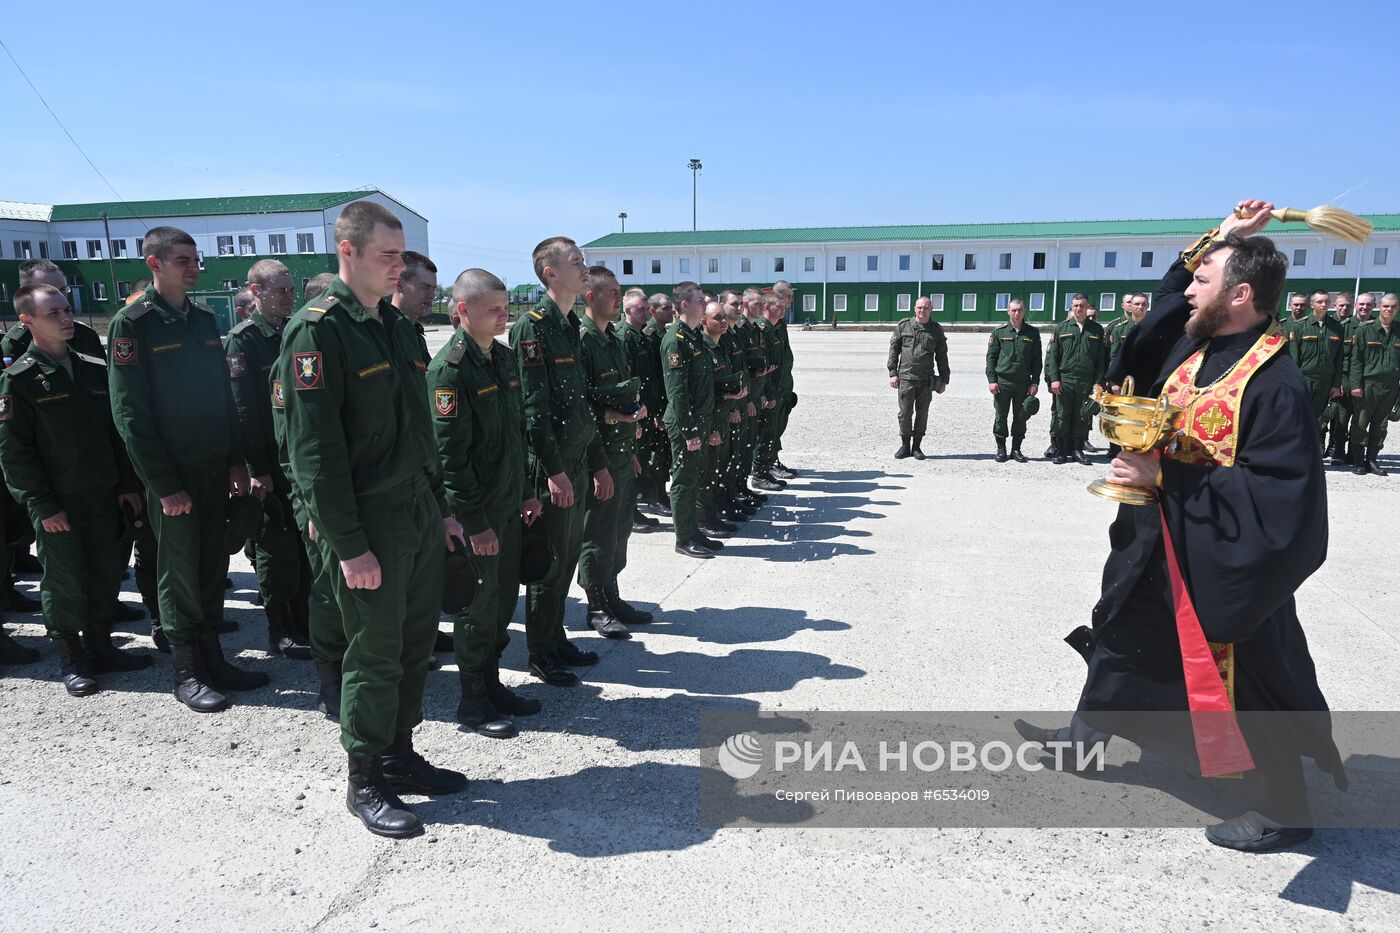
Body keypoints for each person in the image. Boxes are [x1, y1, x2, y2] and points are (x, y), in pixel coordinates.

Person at [1034, 203, 1347, 852]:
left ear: (1241, 294)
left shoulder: (1272, 380)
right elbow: (1163, 303)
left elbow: (1287, 506)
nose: (1189, 286)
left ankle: (1283, 808)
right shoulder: (1199, 345)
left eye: (1206, 277)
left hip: (1217, 565)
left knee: (1246, 680)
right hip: (1154, 542)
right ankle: (1083, 742)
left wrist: (1167, 476)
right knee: (1119, 632)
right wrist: (1222, 236)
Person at [278, 201, 467, 838]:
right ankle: (363, 777)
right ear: (348, 251)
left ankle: (399, 753)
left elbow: (418, 432)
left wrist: (439, 509)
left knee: (415, 646)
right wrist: (349, 545)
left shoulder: (393, 324)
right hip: (367, 524)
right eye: (388, 255)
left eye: (401, 254)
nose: (399, 266)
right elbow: (315, 454)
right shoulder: (318, 330)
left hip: (413, 511)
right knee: (375, 652)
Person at [108, 226, 263, 714]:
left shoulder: (202, 317)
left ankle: (214, 658)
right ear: (154, 264)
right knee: (178, 572)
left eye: (196, 259)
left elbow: (223, 397)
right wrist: (163, 484)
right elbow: (129, 414)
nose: (194, 267)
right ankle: (188, 671)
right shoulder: (132, 324)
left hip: (214, 465)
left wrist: (236, 459)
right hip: (172, 475)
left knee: (213, 563)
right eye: (182, 260)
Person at [0, 284, 151, 694]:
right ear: (26, 321)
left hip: (102, 492)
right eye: (54, 313)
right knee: (65, 579)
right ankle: (71, 656)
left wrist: (125, 483)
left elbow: (114, 433)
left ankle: (101, 646)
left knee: (105, 570)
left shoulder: (93, 369)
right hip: (58, 501)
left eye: (67, 310)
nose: (67, 318)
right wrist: (42, 504)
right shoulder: (19, 381)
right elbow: (15, 454)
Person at [428, 268, 543, 737]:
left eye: (506, 307)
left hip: (508, 505)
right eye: (494, 309)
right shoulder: (449, 370)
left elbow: (517, 435)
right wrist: (473, 522)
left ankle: (493, 684)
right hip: (479, 515)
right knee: (478, 606)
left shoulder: (501, 357)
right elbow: (449, 459)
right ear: (462, 311)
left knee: (502, 602)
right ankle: (472, 702)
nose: (504, 316)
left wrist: (527, 491)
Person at [508, 237, 613, 686]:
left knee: (567, 558)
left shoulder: (571, 324)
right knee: (548, 563)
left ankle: (555, 638)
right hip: (552, 468)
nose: (584, 267)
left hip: (576, 460)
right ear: (550, 272)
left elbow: (581, 404)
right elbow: (533, 408)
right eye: (576, 262)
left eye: (583, 260)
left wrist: (598, 462)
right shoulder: (532, 327)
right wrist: (553, 470)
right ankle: (540, 652)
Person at [223, 259, 312, 660]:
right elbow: (243, 411)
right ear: (256, 293)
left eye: (292, 290)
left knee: (302, 547)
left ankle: (305, 620)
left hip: (298, 460)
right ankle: (280, 628)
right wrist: (256, 468)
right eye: (281, 290)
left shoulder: (294, 331)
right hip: (269, 463)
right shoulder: (243, 341)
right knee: (276, 549)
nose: (289, 296)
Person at [577, 266, 653, 638]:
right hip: (599, 456)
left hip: (622, 452)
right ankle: (595, 606)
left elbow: (621, 392)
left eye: (620, 292)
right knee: (599, 533)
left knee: (620, 530)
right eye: (612, 293)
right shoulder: (583, 341)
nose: (619, 299)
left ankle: (612, 594)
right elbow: (578, 405)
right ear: (591, 296)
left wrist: (632, 445)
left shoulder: (613, 340)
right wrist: (597, 464)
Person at [662, 282, 719, 559]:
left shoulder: (693, 335)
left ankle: (694, 531)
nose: (704, 304)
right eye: (699, 300)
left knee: (695, 478)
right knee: (684, 481)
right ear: (685, 305)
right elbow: (677, 392)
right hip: (686, 424)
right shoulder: (676, 340)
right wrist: (688, 431)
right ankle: (683, 538)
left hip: (699, 421)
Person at [698, 300, 746, 538]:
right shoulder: (703, 349)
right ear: (703, 321)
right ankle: (703, 520)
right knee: (705, 474)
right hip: (710, 420)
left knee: (719, 468)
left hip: (722, 416)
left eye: (723, 317)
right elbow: (704, 393)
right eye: (718, 317)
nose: (724, 321)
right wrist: (713, 426)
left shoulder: (719, 346)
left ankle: (714, 514)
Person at [1044, 294, 1107, 465]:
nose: (1078, 309)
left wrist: (1098, 382)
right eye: (1075, 305)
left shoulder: (1097, 330)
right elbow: (1053, 358)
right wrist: (1054, 379)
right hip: (1065, 380)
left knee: (1082, 416)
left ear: (1087, 307)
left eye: (1082, 305)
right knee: (1062, 416)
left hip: (1086, 381)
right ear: (1071, 307)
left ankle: (1078, 450)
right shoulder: (1061, 328)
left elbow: (1102, 360)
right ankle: (1062, 451)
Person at [886, 295, 950, 460]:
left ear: (931, 310)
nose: (922, 311)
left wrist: (944, 379)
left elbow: (942, 356)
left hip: (926, 380)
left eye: (926, 308)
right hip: (906, 378)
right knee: (905, 413)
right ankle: (905, 445)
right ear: (915, 308)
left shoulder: (936, 330)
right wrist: (892, 373)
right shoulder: (904, 326)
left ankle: (917, 447)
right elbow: (894, 350)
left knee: (923, 414)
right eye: (920, 307)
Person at [618, 289, 661, 532]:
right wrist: (633, 420)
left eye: (647, 308)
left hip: (646, 412)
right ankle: (630, 513)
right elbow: (628, 382)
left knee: (642, 461)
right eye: (641, 309)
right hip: (634, 414)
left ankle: (636, 508)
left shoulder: (641, 336)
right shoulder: (625, 338)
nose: (646, 312)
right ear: (627, 311)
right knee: (632, 465)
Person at [1347, 293, 1400, 475]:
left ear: (1397, 309)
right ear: (1379, 307)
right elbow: (1356, 361)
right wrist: (1355, 385)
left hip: (1391, 386)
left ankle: (1372, 460)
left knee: (1381, 425)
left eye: (1393, 307)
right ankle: (1359, 461)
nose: (1389, 309)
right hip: (1368, 384)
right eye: (1385, 306)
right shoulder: (1364, 330)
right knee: (1360, 423)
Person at [984, 298, 1041, 463]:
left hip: (1023, 382)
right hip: (1003, 382)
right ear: (1008, 311)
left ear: (1024, 311)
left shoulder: (1032, 333)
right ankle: (1001, 449)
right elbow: (991, 359)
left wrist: (1035, 382)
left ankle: (1016, 449)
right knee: (1001, 416)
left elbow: (1037, 360)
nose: (1017, 313)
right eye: (1014, 310)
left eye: (1020, 310)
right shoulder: (999, 332)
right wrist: (992, 380)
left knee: (1021, 416)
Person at [1285, 289, 1345, 443]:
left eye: (1326, 301)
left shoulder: (1337, 327)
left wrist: (1336, 384)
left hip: (1326, 381)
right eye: (1320, 301)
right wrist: (1294, 383)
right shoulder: (1299, 327)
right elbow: (1293, 358)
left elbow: (1339, 359)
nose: (1324, 304)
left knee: (1320, 419)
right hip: (1304, 379)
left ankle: (1314, 451)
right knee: (1299, 416)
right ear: (1311, 304)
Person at [639, 292, 676, 515]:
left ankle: (659, 493)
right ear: (653, 311)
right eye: (665, 308)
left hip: (663, 402)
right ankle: (655, 495)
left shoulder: (664, 333)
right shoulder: (649, 335)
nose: (671, 311)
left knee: (663, 451)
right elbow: (649, 375)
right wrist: (654, 410)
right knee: (655, 454)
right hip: (653, 405)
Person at [743, 289, 781, 492]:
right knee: (745, 444)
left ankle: (757, 476)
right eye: (756, 304)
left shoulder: (755, 329)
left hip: (759, 392)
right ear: (745, 304)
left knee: (758, 436)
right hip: (746, 397)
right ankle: (754, 476)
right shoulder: (742, 330)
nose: (760, 307)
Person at [769, 281, 799, 478]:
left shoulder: (780, 322)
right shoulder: (767, 325)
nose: (791, 300)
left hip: (782, 386)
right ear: (779, 296)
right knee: (769, 429)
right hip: (772, 387)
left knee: (777, 426)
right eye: (789, 296)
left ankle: (773, 460)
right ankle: (766, 464)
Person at [392, 250, 437, 365]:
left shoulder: (415, 332)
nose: (432, 295)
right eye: (425, 286)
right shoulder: (386, 332)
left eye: (433, 288)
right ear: (399, 284)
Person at [1326, 292, 1357, 463]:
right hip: (1328, 375)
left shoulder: (1356, 326)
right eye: (1341, 305)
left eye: (1348, 305)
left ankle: (1341, 448)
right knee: (1327, 414)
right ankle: (1326, 446)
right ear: (1335, 306)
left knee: (1342, 414)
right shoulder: (1328, 324)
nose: (1345, 308)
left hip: (1347, 376)